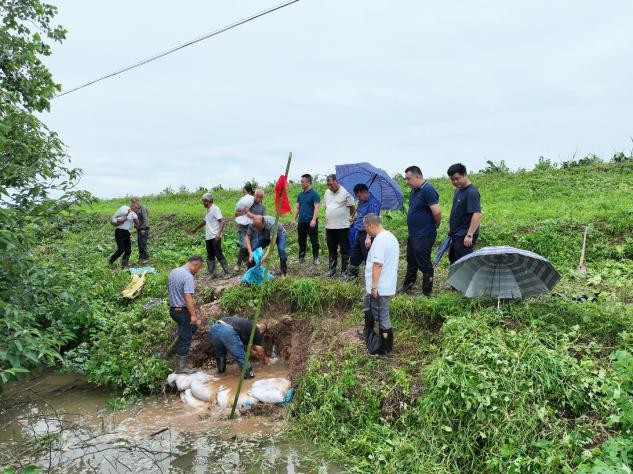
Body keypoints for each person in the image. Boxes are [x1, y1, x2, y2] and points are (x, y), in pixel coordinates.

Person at [400, 166, 441, 296]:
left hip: (424, 234)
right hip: (414, 234)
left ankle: (426, 292)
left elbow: (437, 211)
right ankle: (408, 285)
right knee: (411, 260)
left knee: (424, 263)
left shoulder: (428, 190)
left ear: (418, 177)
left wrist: (436, 224)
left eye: (408, 178)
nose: (407, 181)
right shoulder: (414, 191)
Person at [363, 214, 399, 354]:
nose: (367, 232)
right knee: (368, 305)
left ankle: (385, 348)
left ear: (371, 225)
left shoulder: (380, 240)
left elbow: (377, 265)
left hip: (380, 287)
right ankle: (369, 332)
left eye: (366, 228)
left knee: (383, 316)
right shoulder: (390, 237)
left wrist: (374, 286)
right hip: (383, 284)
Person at [168, 255, 204, 373]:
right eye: (198, 268)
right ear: (195, 264)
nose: (197, 271)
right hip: (182, 311)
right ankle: (181, 368)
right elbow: (187, 296)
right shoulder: (188, 276)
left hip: (173, 309)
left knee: (192, 328)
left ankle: (174, 347)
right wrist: (193, 315)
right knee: (186, 338)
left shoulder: (174, 271)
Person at [345, 183, 381, 280]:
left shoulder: (373, 203)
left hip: (368, 234)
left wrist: (368, 238)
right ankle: (352, 279)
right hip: (359, 232)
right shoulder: (362, 202)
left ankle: (372, 281)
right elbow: (361, 214)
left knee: (368, 258)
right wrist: (354, 218)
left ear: (364, 192)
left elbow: (372, 222)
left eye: (359, 196)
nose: (358, 198)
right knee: (354, 256)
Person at [189, 193, 230, 278]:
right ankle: (212, 274)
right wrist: (195, 229)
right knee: (210, 255)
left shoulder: (215, 209)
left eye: (203, 201)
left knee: (218, 254)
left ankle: (227, 273)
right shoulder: (208, 209)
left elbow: (222, 221)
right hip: (208, 236)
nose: (202, 203)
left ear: (207, 201)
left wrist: (218, 233)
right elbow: (204, 221)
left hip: (215, 236)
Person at [447, 163, 481, 263]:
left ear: (465, 174)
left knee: (464, 263)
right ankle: (456, 279)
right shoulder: (458, 190)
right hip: (456, 233)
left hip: (464, 234)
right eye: (452, 179)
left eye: (457, 178)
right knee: (454, 259)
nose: (455, 182)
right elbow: (455, 210)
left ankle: (464, 279)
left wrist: (469, 235)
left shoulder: (472, 192)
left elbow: (477, 214)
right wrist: (450, 226)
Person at [323, 174, 355, 277]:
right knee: (332, 248)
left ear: (337, 181)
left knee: (344, 249)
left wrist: (351, 217)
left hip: (343, 226)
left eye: (331, 184)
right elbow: (326, 208)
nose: (329, 187)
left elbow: (352, 207)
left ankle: (344, 271)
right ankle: (331, 270)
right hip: (330, 226)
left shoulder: (346, 192)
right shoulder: (327, 193)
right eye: (328, 184)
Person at [291, 174, 320, 265]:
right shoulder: (300, 195)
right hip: (302, 221)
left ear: (308, 182)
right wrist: (294, 219)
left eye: (303, 182)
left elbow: (316, 208)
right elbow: (297, 207)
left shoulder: (315, 194)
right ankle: (301, 258)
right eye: (301, 181)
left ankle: (315, 258)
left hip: (311, 221)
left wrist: (314, 220)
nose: (301, 183)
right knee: (301, 240)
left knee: (314, 240)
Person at [108, 199, 140, 268]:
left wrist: (134, 217)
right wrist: (128, 214)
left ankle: (124, 264)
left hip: (126, 232)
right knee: (121, 250)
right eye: (136, 207)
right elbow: (119, 220)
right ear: (132, 206)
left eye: (138, 208)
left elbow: (137, 223)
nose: (137, 209)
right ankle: (110, 261)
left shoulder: (134, 214)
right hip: (119, 231)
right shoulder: (125, 209)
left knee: (128, 250)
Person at [234, 184, 255, 271]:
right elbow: (235, 214)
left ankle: (249, 266)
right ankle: (238, 263)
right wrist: (244, 212)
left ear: (249, 192)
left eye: (244, 192)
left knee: (250, 247)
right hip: (242, 226)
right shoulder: (242, 203)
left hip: (251, 227)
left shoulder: (254, 202)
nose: (243, 194)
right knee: (243, 245)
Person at [131, 196, 150, 264]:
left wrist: (143, 229)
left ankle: (146, 258)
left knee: (143, 244)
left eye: (133, 202)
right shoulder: (136, 208)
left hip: (143, 229)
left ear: (137, 202)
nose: (132, 203)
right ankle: (141, 258)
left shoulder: (143, 208)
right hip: (139, 228)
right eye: (132, 202)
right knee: (140, 244)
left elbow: (145, 219)